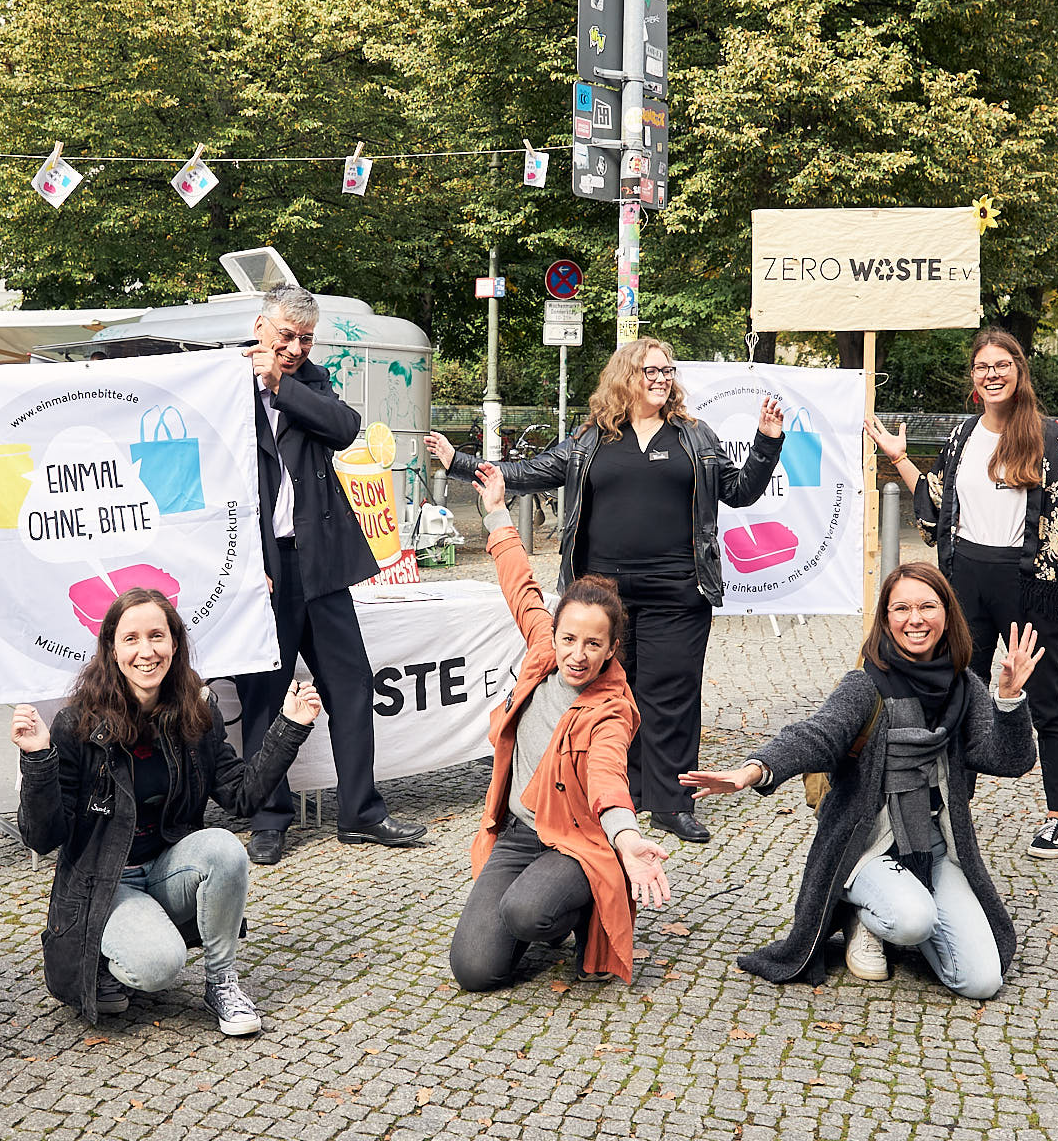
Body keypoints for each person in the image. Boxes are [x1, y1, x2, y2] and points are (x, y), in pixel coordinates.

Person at [424, 338, 783, 843]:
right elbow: (530, 472)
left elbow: (740, 491)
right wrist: (459, 462)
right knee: (612, 693)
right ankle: (620, 796)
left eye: (667, 370)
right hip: (601, 597)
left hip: (678, 591)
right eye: (651, 370)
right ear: (626, 376)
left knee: (672, 697)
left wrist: (767, 442)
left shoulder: (695, 435)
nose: (662, 378)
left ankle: (671, 802)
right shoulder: (591, 438)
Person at [687, 564, 1041, 1000]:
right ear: (886, 618)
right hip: (868, 845)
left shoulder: (964, 686)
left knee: (981, 981)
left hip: (934, 848)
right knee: (912, 919)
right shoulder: (866, 685)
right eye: (901, 608)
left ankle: (907, 907)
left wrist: (1009, 700)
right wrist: (755, 769)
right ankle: (863, 913)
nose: (915, 619)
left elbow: (1008, 760)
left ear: (947, 614)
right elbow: (818, 734)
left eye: (927, 606)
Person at [14, 588, 321, 1032]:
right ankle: (102, 955)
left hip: (165, 871)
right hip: (104, 884)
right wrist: (38, 759)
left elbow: (242, 797)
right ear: (112, 649)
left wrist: (290, 726)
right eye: (131, 638)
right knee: (158, 967)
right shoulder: (76, 724)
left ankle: (222, 981)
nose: (146, 651)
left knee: (223, 848)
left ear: (174, 644)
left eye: (157, 636)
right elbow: (43, 838)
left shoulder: (196, 712)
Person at [867, 327, 1058, 861]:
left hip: (1027, 583)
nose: (991, 374)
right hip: (963, 581)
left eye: (1001, 365)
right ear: (973, 377)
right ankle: (954, 804)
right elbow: (937, 507)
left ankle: (1057, 816)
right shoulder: (962, 436)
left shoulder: (1050, 437)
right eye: (982, 367)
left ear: (1019, 370)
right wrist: (900, 458)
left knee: (1043, 695)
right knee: (959, 691)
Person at [447, 464, 672, 992]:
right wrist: (497, 513)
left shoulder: (611, 709)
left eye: (593, 644)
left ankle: (582, 900)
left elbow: (607, 777)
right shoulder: (543, 653)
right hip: (522, 833)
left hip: (577, 839)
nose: (577, 654)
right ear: (555, 634)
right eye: (569, 639)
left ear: (612, 649)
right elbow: (521, 586)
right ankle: (538, 903)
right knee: (474, 971)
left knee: (527, 912)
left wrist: (627, 838)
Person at [236, 284, 425, 865]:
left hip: (320, 562)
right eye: (286, 336)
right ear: (260, 328)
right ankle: (269, 817)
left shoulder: (309, 380)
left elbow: (344, 427)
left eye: (306, 339)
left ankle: (360, 812)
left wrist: (282, 384)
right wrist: (247, 563)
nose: (295, 348)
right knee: (264, 696)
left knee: (351, 685)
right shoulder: (225, 382)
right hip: (261, 566)